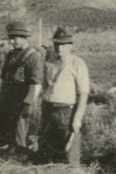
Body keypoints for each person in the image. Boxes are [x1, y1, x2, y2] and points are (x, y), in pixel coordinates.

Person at [38, 27, 90, 166]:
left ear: (70, 45)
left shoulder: (77, 63)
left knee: (69, 153)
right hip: (48, 109)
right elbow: (45, 87)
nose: (60, 48)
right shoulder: (50, 63)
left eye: (63, 44)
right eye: (57, 44)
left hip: (66, 112)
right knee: (47, 150)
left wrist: (77, 118)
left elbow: (83, 93)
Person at [0, 21, 42, 157]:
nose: (11, 42)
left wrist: (27, 104)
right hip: (7, 97)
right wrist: (0, 98)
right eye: (10, 38)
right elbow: (4, 78)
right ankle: (8, 152)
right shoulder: (11, 55)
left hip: (21, 99)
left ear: (23, 38)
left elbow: (36, 84)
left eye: (14, 38)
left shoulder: (33, 56)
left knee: (19, 129)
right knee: (5, 127)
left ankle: (19, 156)